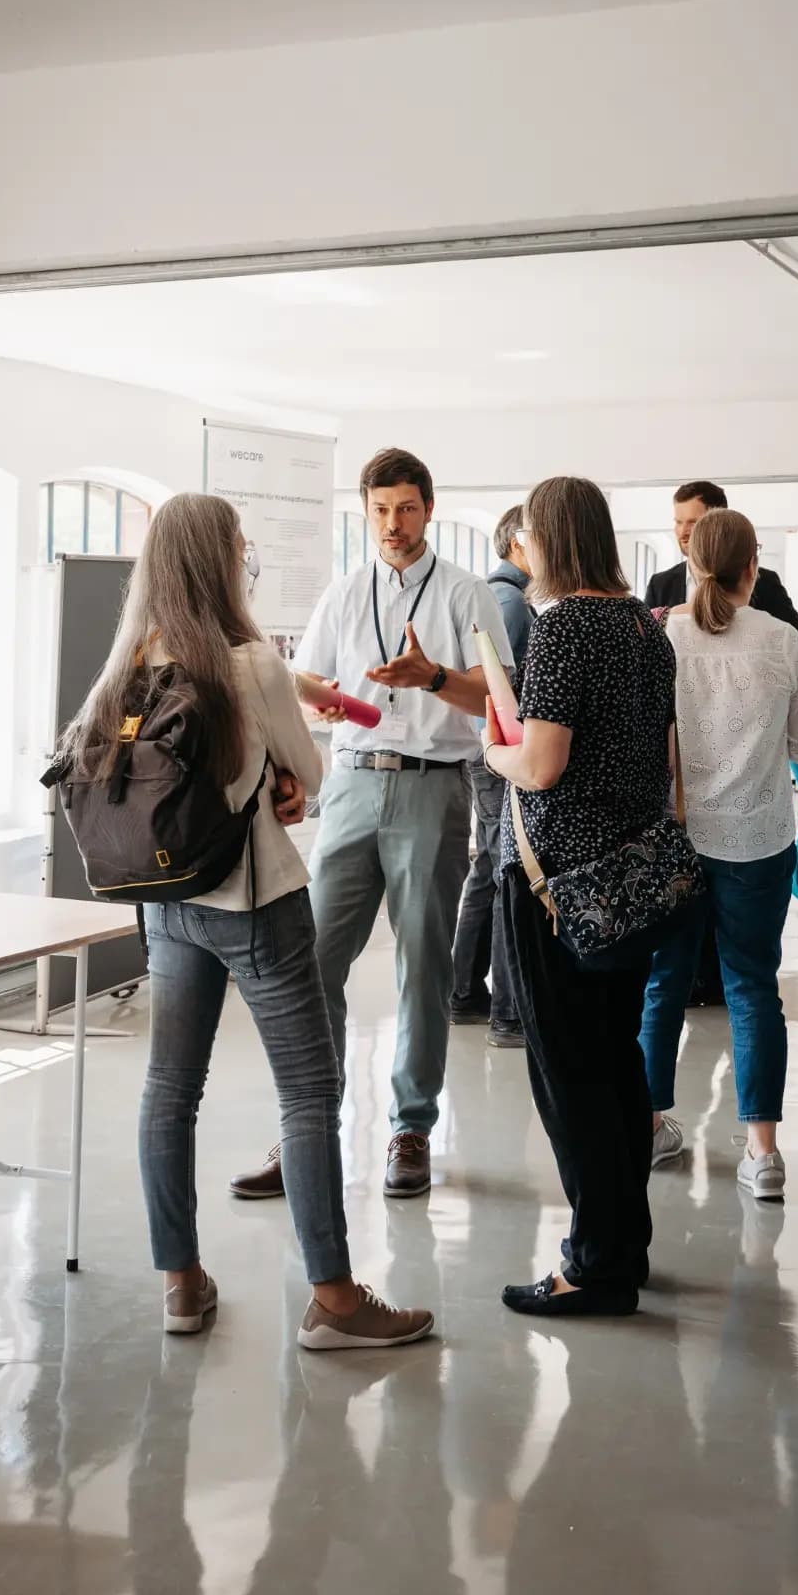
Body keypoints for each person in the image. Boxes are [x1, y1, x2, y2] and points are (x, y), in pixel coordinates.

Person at [59, 492, 432, 1348]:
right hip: (255, 904)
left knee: (169, 1088)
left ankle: (181, 1285)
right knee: (307, 1093)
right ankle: (335, 1301)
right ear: (222, 561)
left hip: (168, 905)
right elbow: (310, 771)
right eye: (239, 547)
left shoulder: (130, 664)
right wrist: (288, 780)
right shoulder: (249, 662)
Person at [230, 449, 514, 1204]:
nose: (394, 524)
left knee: (424, 965)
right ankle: (307, 1127)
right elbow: (314, 681)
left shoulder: (466, 595)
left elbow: (499, 699)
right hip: (352, 783)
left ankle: (410, 1128)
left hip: (432, 788)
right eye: (381, 510)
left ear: (429, 509)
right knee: (313, 957)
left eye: (407, 508)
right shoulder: (344, 592)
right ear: (366, 513)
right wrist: (321, 700)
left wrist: (433, 680)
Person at [486, 475, 676, 1317]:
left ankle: (594, 1267)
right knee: (616, 1065)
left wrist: (491, 754)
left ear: (548, 540)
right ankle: (621, 1246)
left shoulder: (562, 628)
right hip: (628, 879)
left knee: (572, 1078)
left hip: (558, 885)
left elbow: (540, 763)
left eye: (526, 534)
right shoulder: (643, 627)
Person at [639, 509, 798, 1202]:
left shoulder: (662, 637)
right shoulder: (782, 643)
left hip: (677, 839)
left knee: (662, 985)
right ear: (754, 566)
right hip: (756, 842)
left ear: (691, 562)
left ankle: (649, 1124)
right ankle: (763, 1152)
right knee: (751, 988)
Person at [449, 502, 537, 1047]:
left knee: (490, 868)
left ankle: (464, 994)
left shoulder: (503, 597)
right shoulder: (509, 601)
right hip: (498, 757)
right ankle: (500, 1009)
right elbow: (498, 697)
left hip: (492, 754)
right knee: (503, 871)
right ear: (518, 542)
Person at [644, 479, 798, 674]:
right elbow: (646, 658)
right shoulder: (660, 584)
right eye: (678, 522)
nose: (683, 533)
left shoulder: (764, 583)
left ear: (718, 523)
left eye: (693, 523)